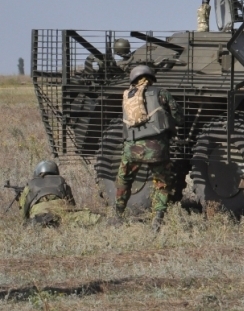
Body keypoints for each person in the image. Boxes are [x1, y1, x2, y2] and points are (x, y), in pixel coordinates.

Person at [115, 65, 183, 231]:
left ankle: (118, 215)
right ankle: (157, 220)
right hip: (156, 148)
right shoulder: (161, 93)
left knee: (124, 179)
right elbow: (178, 116)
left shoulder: (127, 96)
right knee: (162, 182)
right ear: (151, 78)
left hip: (131, 148)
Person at [18, 160, 100, 227]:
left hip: (40, 213)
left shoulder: (31, 184)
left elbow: (24, 209)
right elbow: (71, 203)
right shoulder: (61, 181)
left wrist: (25, 220)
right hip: (61, 210)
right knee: (85, 218)